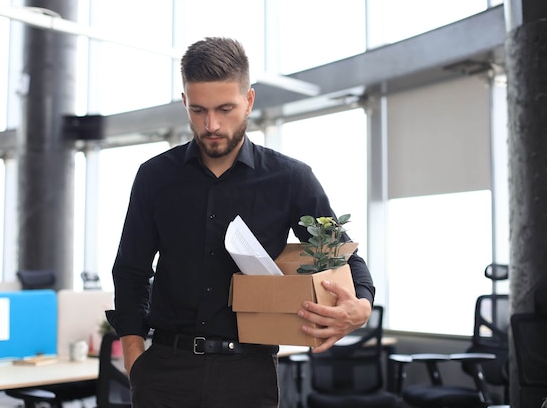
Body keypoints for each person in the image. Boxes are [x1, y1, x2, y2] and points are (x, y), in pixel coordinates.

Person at [107, 37, 375, 408]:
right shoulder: (155, 177)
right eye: (198, 110)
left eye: (225, 108)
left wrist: (361, 308)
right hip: (164, 373)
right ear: (185, 102)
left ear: (248, 101)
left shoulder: (290, 179)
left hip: (248, 376)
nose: (211, 124)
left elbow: (343, 257)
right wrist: (135, 357)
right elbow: (131, 270)